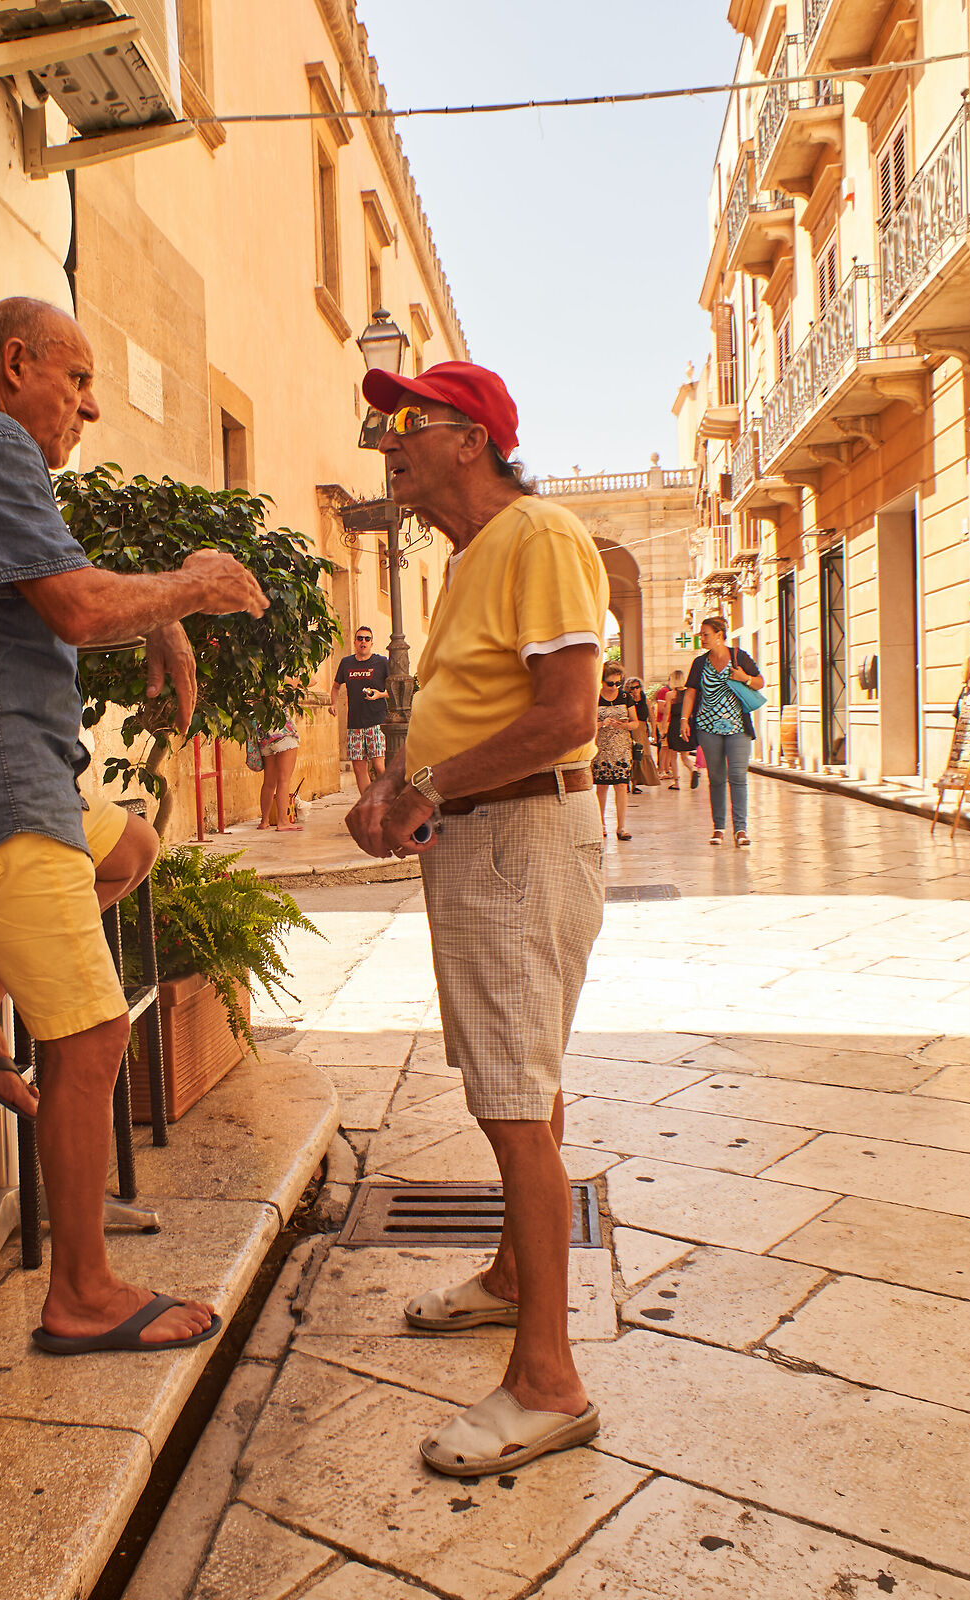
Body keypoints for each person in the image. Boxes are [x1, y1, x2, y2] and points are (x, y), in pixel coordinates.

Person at [0, 297, 268, 1353]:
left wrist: (166, 615)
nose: (88, 406)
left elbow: (56, 587)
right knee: (88, 1037)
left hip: (10, 766)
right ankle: (80, 1293)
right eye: (77, 381)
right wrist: (194, 584)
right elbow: (79, 609)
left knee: (132, 846)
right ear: (15, 361)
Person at [341, 360, 607, 1477]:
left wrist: (428, 790)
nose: (384, 438)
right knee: (522, 1078)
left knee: (508, 1100)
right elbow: (477, 709)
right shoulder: (467, 563)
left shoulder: (536, 535)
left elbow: (565, 714)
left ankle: (549, 1379)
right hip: (484, 838)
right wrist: (398, 793)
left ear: (470, 438)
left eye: (405, 421)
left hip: (517, 838)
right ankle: (511, 1279)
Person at [676, 617, 763, 847]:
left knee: (737, 776)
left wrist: (744, 677)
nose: (701, 638)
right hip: (707, 727)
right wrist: (684, 720)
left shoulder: (739, 656)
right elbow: (691, 693)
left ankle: (741, 829)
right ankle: (719, 828)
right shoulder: (699, 663)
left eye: (705, 634)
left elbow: (759, 682)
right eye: (701, 634)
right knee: (716, 778)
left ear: (719, 634)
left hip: (738, 727)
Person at [334, 626, 391, 793]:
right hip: (355, 724)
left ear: (372, 643)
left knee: (380, 767)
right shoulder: (346, 663)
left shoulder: (381, 662)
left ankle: (388, 802)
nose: (363, 642)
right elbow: (336, 686)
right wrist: (333, 704)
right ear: (355, 642)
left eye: (367, 639)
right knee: (359, 769)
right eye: (360, 638)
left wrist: (380, 694)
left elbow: (394, 690)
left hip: (377, 722)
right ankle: (368, 806)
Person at [593, 664, 640, 840]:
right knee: (602, 786)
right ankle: (601, 823)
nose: (614, 687)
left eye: (618, 683)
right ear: (602, 681)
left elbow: (636, 722)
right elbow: (588, 725)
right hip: (601, 748)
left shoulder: (625, 697)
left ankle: (621, 827)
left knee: (621, 785)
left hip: (621, 747)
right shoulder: (595, 697)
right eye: (610, 683)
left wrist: (625, 725)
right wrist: (603, 724)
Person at [255, 711, 303, 830]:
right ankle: (282, 821)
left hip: (264, 735)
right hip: (283, 733)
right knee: (284, 779)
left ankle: (264, 820)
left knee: (269, 782)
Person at [656, 668, 694, 790]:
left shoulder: (670, 695)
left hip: (674, 725)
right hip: (686, 725)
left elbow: (667, 714)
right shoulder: (689, 693)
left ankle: (677, 783)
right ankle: (693, 769)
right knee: (684, 756)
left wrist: (663, 730)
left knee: (673, 756)